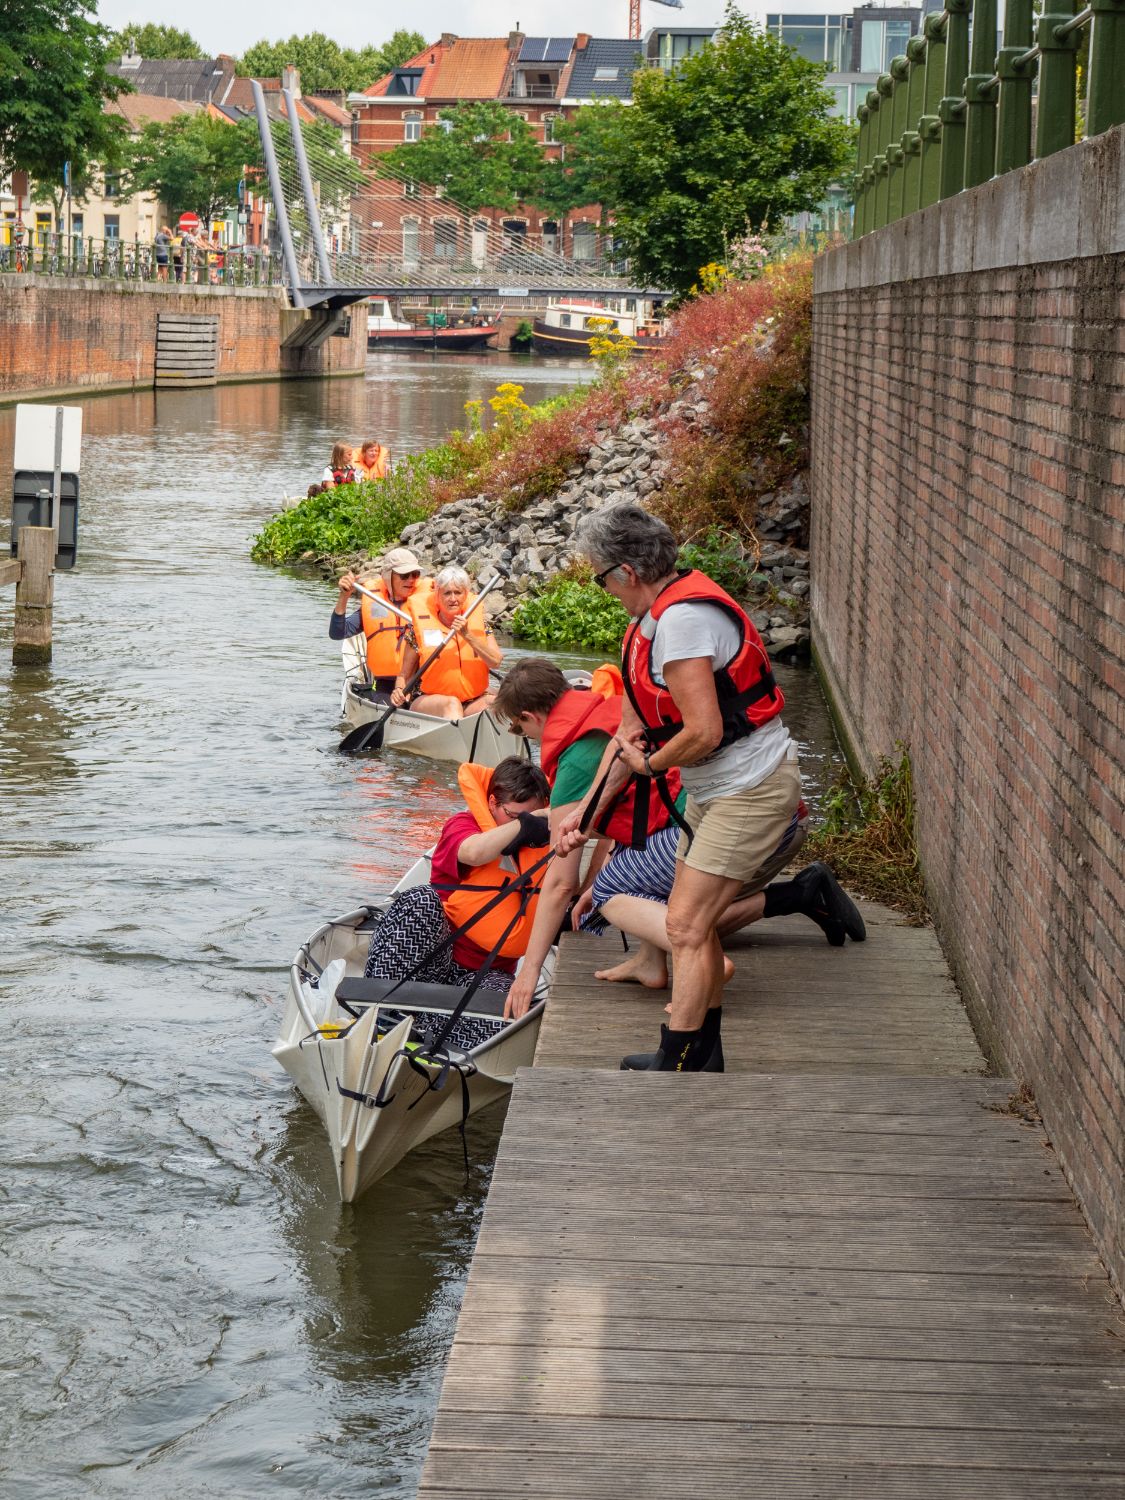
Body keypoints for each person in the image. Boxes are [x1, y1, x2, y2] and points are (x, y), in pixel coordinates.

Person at [564, 502, 865, 1074]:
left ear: (625, 572)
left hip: (749, 790)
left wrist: (654, 769)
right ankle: (703, 1052)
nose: (603, 590)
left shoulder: (682, 623)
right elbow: (631, 731)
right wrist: (582, 821)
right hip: (715, 793)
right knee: (690, 923)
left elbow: (703, 732)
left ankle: (679, 1055)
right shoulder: (650, 621)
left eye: (600, 578)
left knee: (684, 925)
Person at [493, 658, 688, 1022]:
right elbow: (626, 819)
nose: (526, 736)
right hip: (703, 813)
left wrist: (528, 972)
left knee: (607, 892)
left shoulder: (573, 763)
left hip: (691, 830)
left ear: (531, 718)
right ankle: (651, 962)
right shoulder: (604, 710)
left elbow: (560, 882)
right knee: (618, 875)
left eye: (519, 729)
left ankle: (702, 958)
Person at [363, 758, 551, 995]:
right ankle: (380, 1009)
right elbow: (473, 852)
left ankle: (429, 1028)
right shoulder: (462, 824)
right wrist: (526, 825)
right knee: (421, 899)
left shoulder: (545, 847)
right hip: (432, 961)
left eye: (534, 817)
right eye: (515, 816)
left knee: (504, 1007)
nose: (528, 824)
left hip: (486, 974)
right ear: (492, 803)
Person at [391, 566, 502, 720]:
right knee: (452, 704)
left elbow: (495, 662)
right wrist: (398, 689)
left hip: (473, 700)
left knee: (500, 703)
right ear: (437, 595)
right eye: (447, 593)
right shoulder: (417, 628)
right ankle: (455, 741)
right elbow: (405, 674)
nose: (453, 599)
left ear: (465, 595)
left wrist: (468, 635)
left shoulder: (480, 625)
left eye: (458, 592)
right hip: (429, 700)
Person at [331, 547, 434, 702]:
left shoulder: (430, 602)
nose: (411, 580)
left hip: (424, 681)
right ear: (388, 576)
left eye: (415, 574)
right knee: (387, 702)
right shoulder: (374, 603)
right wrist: (344, 597)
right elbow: (337, 633)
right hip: (387, 684)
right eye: (404, 575)